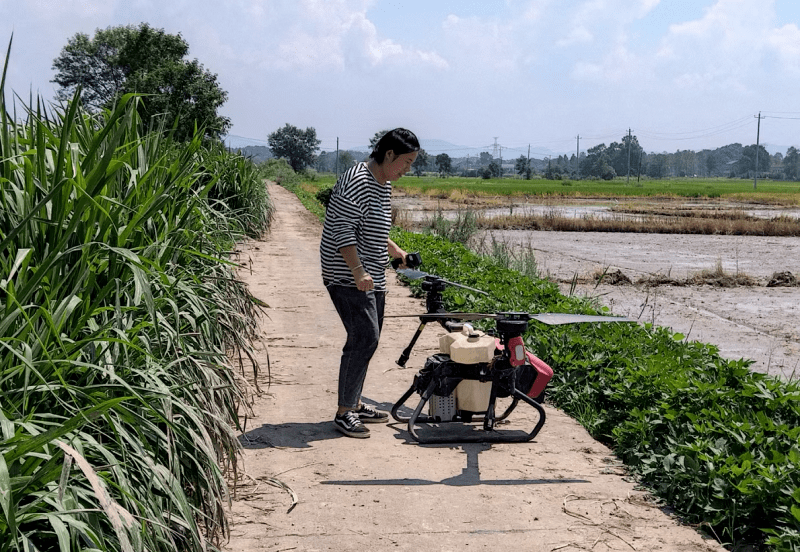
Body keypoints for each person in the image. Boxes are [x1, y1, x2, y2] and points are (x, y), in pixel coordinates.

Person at [320, 128, 420, 438]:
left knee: (370, 339)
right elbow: (342, 230)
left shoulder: (383, 184)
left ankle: (354, 401)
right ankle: (344, 411)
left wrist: (397, 252)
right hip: (347, 272)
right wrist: (358, 271)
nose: (407, 169)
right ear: (389, 154)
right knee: (364, 336)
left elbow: (372, 228)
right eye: (405, 162)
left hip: (371, 272)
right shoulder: (357, 180)